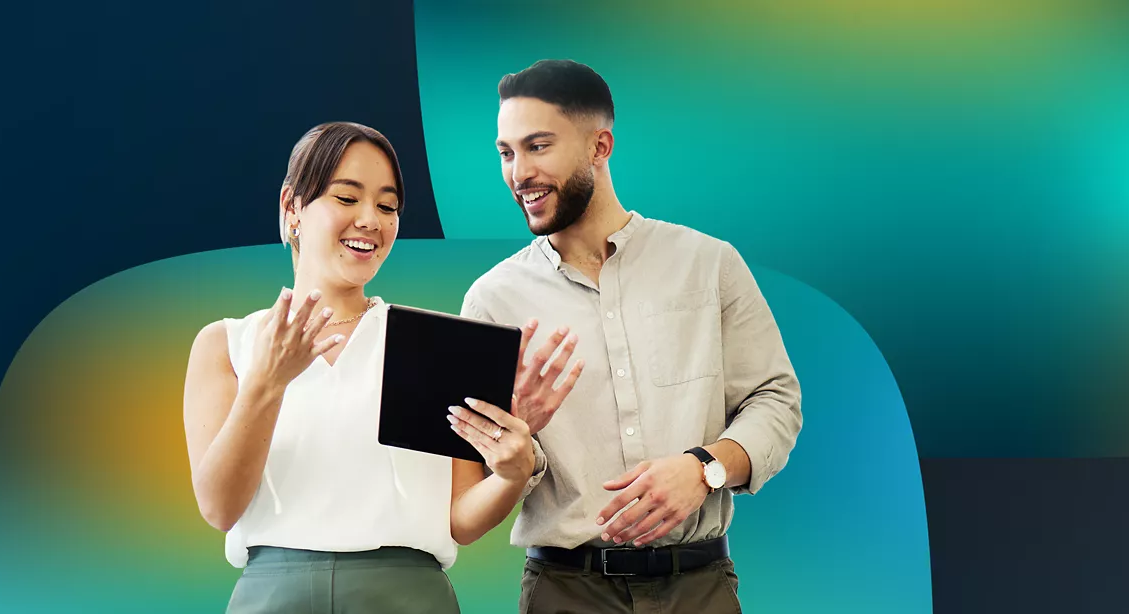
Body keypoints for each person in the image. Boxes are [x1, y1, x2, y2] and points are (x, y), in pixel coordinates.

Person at [181, 121, 584, 613]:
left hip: (407, 598)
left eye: (387, 205)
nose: (370, 220)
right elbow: (220, 507)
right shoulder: (228, 344)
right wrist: (268, 382)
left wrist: (511, 474)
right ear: (292, 208)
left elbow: (460, 519)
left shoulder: (434, 344)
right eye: (347, 199)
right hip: (272, 597)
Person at [454, 59, 803, 613]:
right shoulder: (492, 301)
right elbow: (477, 476)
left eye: (538, 146)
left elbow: (776, 400)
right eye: (506, 152)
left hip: (701, 586)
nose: (518, 172)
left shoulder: (708, 264)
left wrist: (704, 468)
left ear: (600, 146)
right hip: (565, 590)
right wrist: (519, 441)